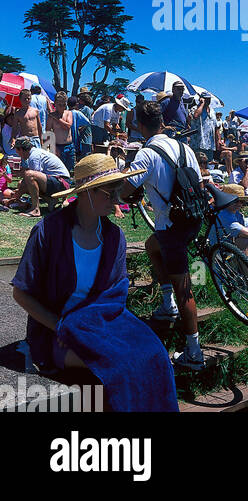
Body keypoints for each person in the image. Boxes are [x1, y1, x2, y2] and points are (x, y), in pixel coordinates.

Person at [9, 154, 178, 411]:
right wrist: (62, 326)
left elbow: (115, 295)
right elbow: (21, 294)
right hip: (57, 333)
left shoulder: (113, 236)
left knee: (156, 355)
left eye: (118, 192)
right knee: (117, 365)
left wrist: (92, 326)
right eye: (109, 193)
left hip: (99, 325)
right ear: (87, 193)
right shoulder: (49, 231)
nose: (116, 200)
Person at [120, 101, 206, 369]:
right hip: (192, 219)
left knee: (185, 290)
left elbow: (124, 191)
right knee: (151, 246)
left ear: (140, 125)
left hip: (171, 226)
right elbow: (199, 185)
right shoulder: (185, 148)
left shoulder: (146, 154)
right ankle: (166, 302)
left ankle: (194, 352)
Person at [8, 137, 72, 217]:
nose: (17, 154)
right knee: (23, 182)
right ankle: (50, 200)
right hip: (59, 182)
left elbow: (32, 177)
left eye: (17, 151)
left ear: (21, 149)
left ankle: (35, 209)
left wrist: (18, 194)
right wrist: (19, 191)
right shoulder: (35, 153)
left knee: (29, 175)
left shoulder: (34, 156)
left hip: (61, 183)